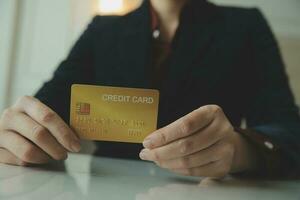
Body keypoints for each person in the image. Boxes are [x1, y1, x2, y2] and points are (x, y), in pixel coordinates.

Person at [0, 0, 299, 178]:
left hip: (206, 191)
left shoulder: (246, 26)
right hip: (107, 190)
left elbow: (288, 130)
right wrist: (20, 131)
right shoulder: (102, 30)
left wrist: (238, 150)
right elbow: (44, 111)